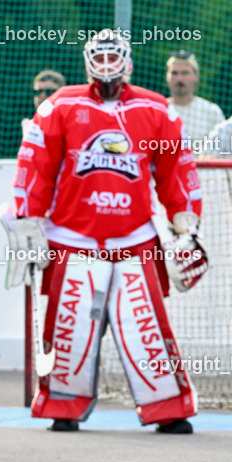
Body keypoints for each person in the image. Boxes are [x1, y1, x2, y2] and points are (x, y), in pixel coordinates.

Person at [11, 30, 204, 434]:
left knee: (146, 329)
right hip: (72, 239)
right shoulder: (59, 105)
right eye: (98, 56)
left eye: (113, 55)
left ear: (128, 60)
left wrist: (186, 220)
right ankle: (62, 407)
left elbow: (177, 171)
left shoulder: (157, 109)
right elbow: (35, 167)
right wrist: (28, 218)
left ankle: (168, 409)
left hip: (135, 240)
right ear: (86, 60)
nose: (106, 64)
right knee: (69, 330)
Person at [165, 50, 224, 154]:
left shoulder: (212, 112)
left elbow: (224, 151)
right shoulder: (160, 110)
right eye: (174, 73)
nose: (179, 78)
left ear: (196, 76)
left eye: (185, 73)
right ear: (167, 76)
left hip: (202, 169)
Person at [22, 70, 65, 137]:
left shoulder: (69, 126)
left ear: (61, 94)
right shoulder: (29, 127)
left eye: (48, 92)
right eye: (38, 92)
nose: (42, 96)